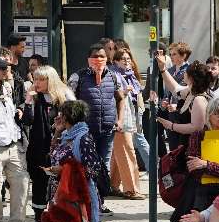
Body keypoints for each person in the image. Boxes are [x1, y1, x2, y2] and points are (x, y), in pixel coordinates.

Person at [47, 100, 105, 222]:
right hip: (65, 197)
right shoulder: (66, 136)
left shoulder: (83, 139)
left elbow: (93, 169)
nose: (59, 117)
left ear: (66, 117)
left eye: (62, 114)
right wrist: (57, 133)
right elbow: (53, 157)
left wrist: (64, 170)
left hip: (78, 198)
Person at [0, 52, 31, 222]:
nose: (6, 70)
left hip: (14, 144)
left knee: (22, 181)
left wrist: (19, 110)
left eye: (7, 67)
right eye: (2, 68)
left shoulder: (8, 88)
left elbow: (13, 109)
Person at [68, 43, 124, 174]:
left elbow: (120, 99)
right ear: (88, 58)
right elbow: (69, 102)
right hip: (85, 132)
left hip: (107, 131)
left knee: (104, 168)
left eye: (101, 56)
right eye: (95, 56)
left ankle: (101, 193)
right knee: (86, 167)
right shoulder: (78, 77)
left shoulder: (113, 76)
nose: (98, 60)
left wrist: (120, 120)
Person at [26, 66, 69, 222]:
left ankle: (58, 216)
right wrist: (28, 101)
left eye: (41, 79)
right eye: (36, 79)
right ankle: (39, 218)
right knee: (40, 181)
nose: (37, 83)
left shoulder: (62, 97)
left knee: (59, 182)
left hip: (60, 145)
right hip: (40, 146)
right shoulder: (35, 98)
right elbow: (27, 122)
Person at [109, 47, 149, 193]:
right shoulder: (114, 75)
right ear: (115, 61)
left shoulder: (131, 75)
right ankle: (131, 189)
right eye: (123, 59)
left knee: (118, 152)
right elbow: (114, 97)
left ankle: (113, 185)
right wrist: (124, 92)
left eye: (128, 59)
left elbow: (138, 96)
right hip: (121, 118)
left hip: (133, 116)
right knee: (127, 151)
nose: (127, 62)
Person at [155, 60, 211, 153]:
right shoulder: (190, 92)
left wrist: (172, 126)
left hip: (196, 151)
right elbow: (174, 88)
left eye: (185, 72)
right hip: (185, 146)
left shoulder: (199, 99)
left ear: (190, 78)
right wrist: (163, 69)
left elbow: (196, 128)